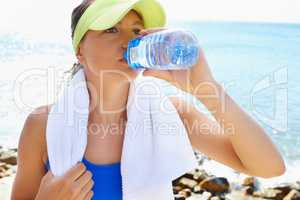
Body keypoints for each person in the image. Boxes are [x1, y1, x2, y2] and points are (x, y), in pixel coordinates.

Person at [11, 0, 286, 199]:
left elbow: (269, 167)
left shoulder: (173, 113)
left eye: (136, 31)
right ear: (79, 50)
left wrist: (206, 88)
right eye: (111, 29)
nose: (128, 42)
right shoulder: (43, 125)